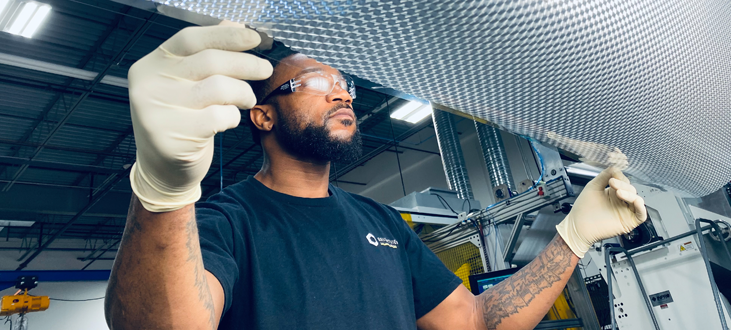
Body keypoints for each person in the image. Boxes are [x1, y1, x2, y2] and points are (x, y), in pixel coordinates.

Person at [104, 21, 647, 330]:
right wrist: (163, 193)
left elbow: (476, 323)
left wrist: (572, 237)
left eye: (346, 85)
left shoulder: (382, 221)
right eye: (316, 81)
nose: (342, 92)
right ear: (262, 115)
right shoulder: (225, 222)